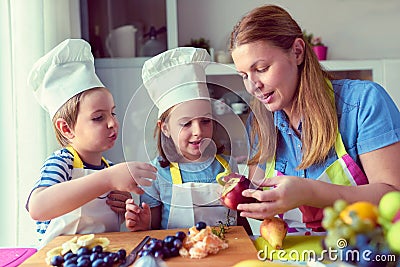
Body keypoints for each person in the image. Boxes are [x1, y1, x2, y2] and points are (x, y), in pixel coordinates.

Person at [229, 4, 400, 234]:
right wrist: (240, 195)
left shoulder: (363, 103)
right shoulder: (260, 123)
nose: (253, 86)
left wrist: (309, 192)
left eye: (262, 68)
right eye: (244, 76)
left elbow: (392, 196)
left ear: (297, 52)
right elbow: (260, 203)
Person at [26, 39, 157, 247]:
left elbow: (112, 233)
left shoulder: (109, 169)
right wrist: (107, 179)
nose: (112, 123)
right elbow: (37, 208)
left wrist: (134, 220)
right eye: (98, 118)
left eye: (113, 113)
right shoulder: (62, 163)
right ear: (66, 129)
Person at [125, 47, 249, 232]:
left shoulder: (227, 165)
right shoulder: (156, 173)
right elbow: (153, 228)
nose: (198, 131)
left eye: (205, 121)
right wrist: (142, 225)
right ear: (165, 128)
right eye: (186, 124)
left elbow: (240, 221)